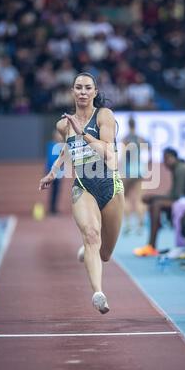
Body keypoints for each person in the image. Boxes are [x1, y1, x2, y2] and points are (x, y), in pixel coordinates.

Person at [39, 72, 124, 314]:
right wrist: (53, 173)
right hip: (83, 185)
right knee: (91, 234)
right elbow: (68, 149)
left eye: (88, 88)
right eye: (78, 87)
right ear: (72, 91)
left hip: (110, 186)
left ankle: (88, 251)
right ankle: (98, 292)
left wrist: (83, 132)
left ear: (95, 92)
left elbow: (108, 153)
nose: (83, 92)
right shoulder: (63, 124)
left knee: (105, 254)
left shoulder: (104, 116)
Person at [134, 147, 185, 256]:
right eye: (163, 160)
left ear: (174, 158)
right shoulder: (178, 168)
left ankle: (152, 245)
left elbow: (176, 196)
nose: (165, 163)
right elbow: (173, 194)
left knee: (156, 204)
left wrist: (153, 197)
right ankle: (153, 237)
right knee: (155, 204)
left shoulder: (180, 169)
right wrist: (154, 197)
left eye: (166, 159)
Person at [120, 116, 150, 234]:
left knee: (124, 197)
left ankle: (127, 224)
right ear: (135, 125)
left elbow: (123, 156)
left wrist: (121, 170)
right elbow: (147, 151)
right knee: (139, 199)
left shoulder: (125, 139)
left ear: (128, 125)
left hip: (128, 170)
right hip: (139, 169)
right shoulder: (140, 138)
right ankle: (140, 225)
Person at [45, 128, 63, 215]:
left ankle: (53, 208)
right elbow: (51, 159)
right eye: (58, 135)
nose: (60, 136)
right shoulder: (52, 145)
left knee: (56, 191)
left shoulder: (60, 145)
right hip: (52, 171)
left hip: (58, 172)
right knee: (54, 191)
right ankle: (52, 209)